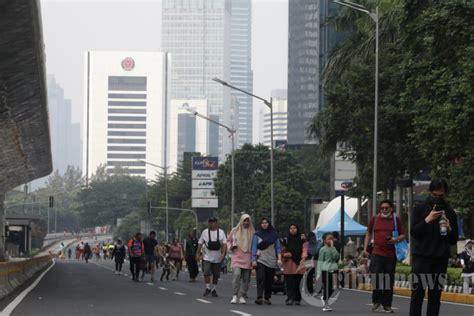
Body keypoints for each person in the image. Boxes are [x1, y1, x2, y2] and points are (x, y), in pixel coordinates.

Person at [409, 179, 458, 316]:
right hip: (421, 259)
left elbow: (453, 240)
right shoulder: (419, 208)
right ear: (430, 193)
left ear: (445, 194)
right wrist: (427, 220)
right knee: (417, 295)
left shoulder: (449, 212)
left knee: (435, 297)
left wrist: (449, 228)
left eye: (441, 195)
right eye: (435, 195)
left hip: (440, 260)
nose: (438, 198)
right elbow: (414, 233)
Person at [363, 199, 405, 313]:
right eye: (382, 208)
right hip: (376, 253)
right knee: (376, 277)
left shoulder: (396, 220)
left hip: (391, 255)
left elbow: (403, 235)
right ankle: (376, 301)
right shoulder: (375, 219)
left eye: (387, 208)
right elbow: (368, 233)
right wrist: (365, 249)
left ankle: (387, 305)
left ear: (391, 209)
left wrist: (395, 239)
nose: (385, 210)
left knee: (388, 280)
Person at [251, 217, 282, 305]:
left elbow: (278, 247)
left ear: (269, 224)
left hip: (271, 260)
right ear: (260, 225)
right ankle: (259, 297)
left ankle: (267, 297)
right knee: (261, 278)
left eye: (266, 223)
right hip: (261, 259)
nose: (264, 224)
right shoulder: (257, 235)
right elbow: (254, 247)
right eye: (262, 223)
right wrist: (253, 259)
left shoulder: (274, 235)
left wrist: (279, 258)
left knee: (269, 280)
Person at [196, 217, 227, 297]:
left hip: (217, 257)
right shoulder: (205, 232)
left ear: (216, 223)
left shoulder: (221, 232)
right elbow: (200, 243)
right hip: (207, 256)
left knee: (216, 274)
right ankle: (207, 287)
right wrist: (197, 253)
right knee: (206, 272)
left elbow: (224, 244)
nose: (211, 224)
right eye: (210, 222)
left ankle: (214, 289)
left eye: (213, 222)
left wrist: (223, 254)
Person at [227, 214, 255, 304]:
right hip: (237, 256)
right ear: (241, 221)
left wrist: (256, 253)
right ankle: (235, 295)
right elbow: (228, 240)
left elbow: (256, 244)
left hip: (248, 257)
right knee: (237, 275)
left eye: (248, 221)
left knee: (246, 278)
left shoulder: (253, 232)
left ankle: (242, 295)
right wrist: (230, 246)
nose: (246, 223)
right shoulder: (235, 230)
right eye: (244, 221)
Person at [282, 224, 308, 306]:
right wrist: (285, 254)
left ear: (297, 229)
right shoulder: (286, 240)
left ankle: (297, 298)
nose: (293, 230)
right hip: (289, 263)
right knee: (289, 282)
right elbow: (282, 250)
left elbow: (305, 249)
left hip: (299, 263)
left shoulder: (302, 239)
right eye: (291, 228)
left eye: (294, 228)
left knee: (297, 283)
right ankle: (290, 298)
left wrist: (303, 258)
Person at [317, 232, 340, 312]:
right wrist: (318, 273)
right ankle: (326, 305)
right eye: (329, 239)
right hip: (325, 270)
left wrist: (333, 247)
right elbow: (320, 261)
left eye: (332, 238)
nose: (331, 240)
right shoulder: (322, 249)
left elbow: (336, 256)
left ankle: (324, 298)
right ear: (324, 240)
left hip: (334, 270)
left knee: (334, 287)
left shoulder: (334, 249)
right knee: (327, 287)